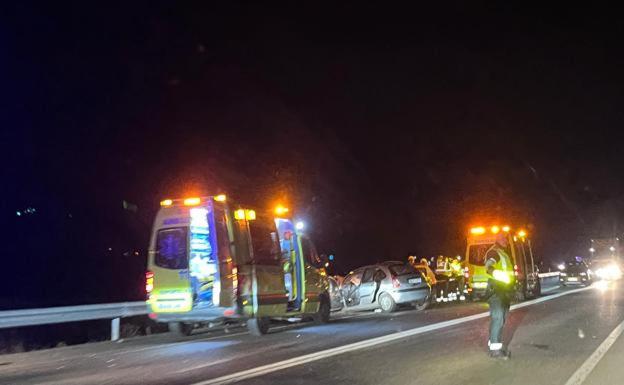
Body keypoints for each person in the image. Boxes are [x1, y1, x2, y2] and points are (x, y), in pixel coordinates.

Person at [484, 233, 515, 359]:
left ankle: (494, 343)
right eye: (503, 239)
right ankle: (495, 351)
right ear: (497, 240)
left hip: (504, 291)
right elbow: (488, 266)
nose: (506, 241)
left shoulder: (504, 254)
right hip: (496, 291)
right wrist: (497, 274)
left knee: (501, 319)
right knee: (498, 318)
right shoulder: (494, 252)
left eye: (506, 239)